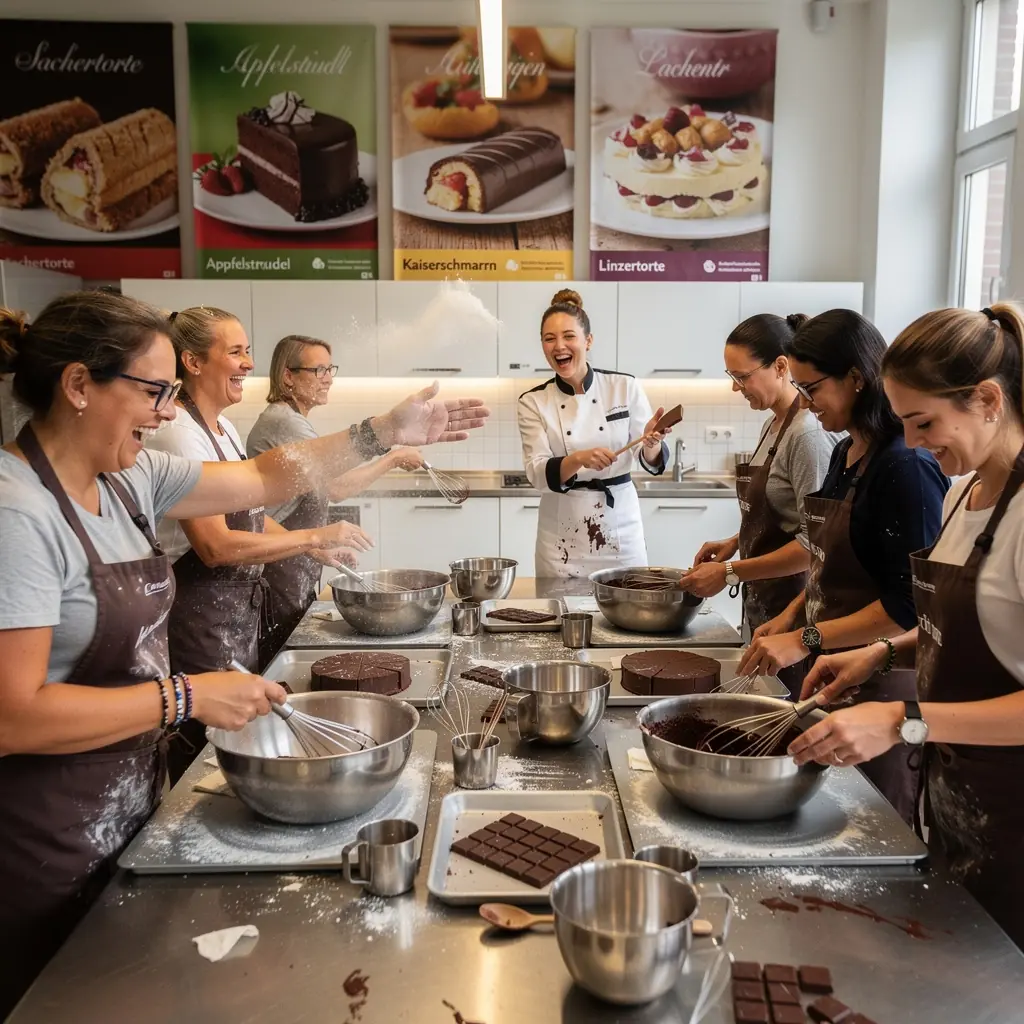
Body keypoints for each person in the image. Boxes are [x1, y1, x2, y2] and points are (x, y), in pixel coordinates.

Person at [0, 290, 488, 1015]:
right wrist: (185, 698)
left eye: (171, 394)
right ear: (78, 385)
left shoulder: (129, 480)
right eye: (153, 392)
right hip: (48, 837)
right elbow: (15, 717)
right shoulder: (19, 513)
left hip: (126, 799)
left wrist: (381, 430)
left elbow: (265, 476)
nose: (166, 413)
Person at [789, 303, 1024, 949]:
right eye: (904, 423)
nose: (915, 443)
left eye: (924, 422)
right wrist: (884, 652)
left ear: (986, 399)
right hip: (953, 797)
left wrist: (900, 721)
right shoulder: (962, 496)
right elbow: (965, 620)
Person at [738, 309, 948, 821]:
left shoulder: (905, 466)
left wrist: (806, 639)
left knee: (869, 826)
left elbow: (908, 606)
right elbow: (823, 559)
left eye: (812, 388)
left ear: (856, 378)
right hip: (832, 671)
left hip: (880, 687)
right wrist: (791, 617)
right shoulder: (846, 455)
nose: (806, 402)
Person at [145, 309, 371, 784]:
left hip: (234, 614)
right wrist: (310, 535)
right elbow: (214, 545)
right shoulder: (178, 433)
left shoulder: (222, 428)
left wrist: (308, 548)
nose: (249, 363)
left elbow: (250, 510)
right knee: (203, 760)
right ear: (193, 361)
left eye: (248, 350)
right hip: (199, 618)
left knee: (235, 742)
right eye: (236, 351)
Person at [680, 313, 837, 694]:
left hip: (794, 612)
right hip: (763, 602)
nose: (736, 388)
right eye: (731, 376)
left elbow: (816, 544)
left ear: (780, 366)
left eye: (742, 376)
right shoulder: (773, 423)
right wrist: (737, 540)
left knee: (787, 718)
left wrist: (731, 572)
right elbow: (781, 517)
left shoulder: (808, 435)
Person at [246, 334, 425, 664]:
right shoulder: (285, 423)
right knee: (280, 661)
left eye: (330, 369)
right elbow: (337, 486)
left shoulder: (291, 420)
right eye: (318, 370)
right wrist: (392, 457)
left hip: (291, 559)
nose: (328, 377)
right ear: (288, 375)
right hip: (277, 567)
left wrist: (318, 548)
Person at [517, 289, 673, 577]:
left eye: (569, 336)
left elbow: (649, 458)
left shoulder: (624, 386)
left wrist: (651, 442)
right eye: (549, 339)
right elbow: (537, 473)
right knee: (564, 617)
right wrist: (578, 459)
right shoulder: (533, 402)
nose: (559, 346)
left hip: (621, 531)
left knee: (629, 611)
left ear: (588, 341)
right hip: (561, 539)